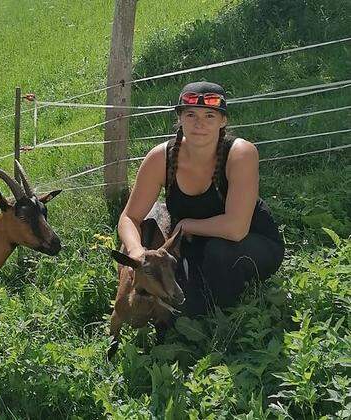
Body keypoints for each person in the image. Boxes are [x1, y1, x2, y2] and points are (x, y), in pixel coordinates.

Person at [117, 81, 284, 316]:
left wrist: (186, 225)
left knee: (218, 255)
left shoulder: (241, 153)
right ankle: (198, 301)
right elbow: (129, 217)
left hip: (249, 242)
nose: (200, 124)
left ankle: (226, 317)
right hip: (194, 246)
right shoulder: (160, 158)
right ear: (180, 118)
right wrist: (136, 252)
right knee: (180, 307)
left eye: (210, 116)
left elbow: (236, 229)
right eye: (191, 114)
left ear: (223, 121)